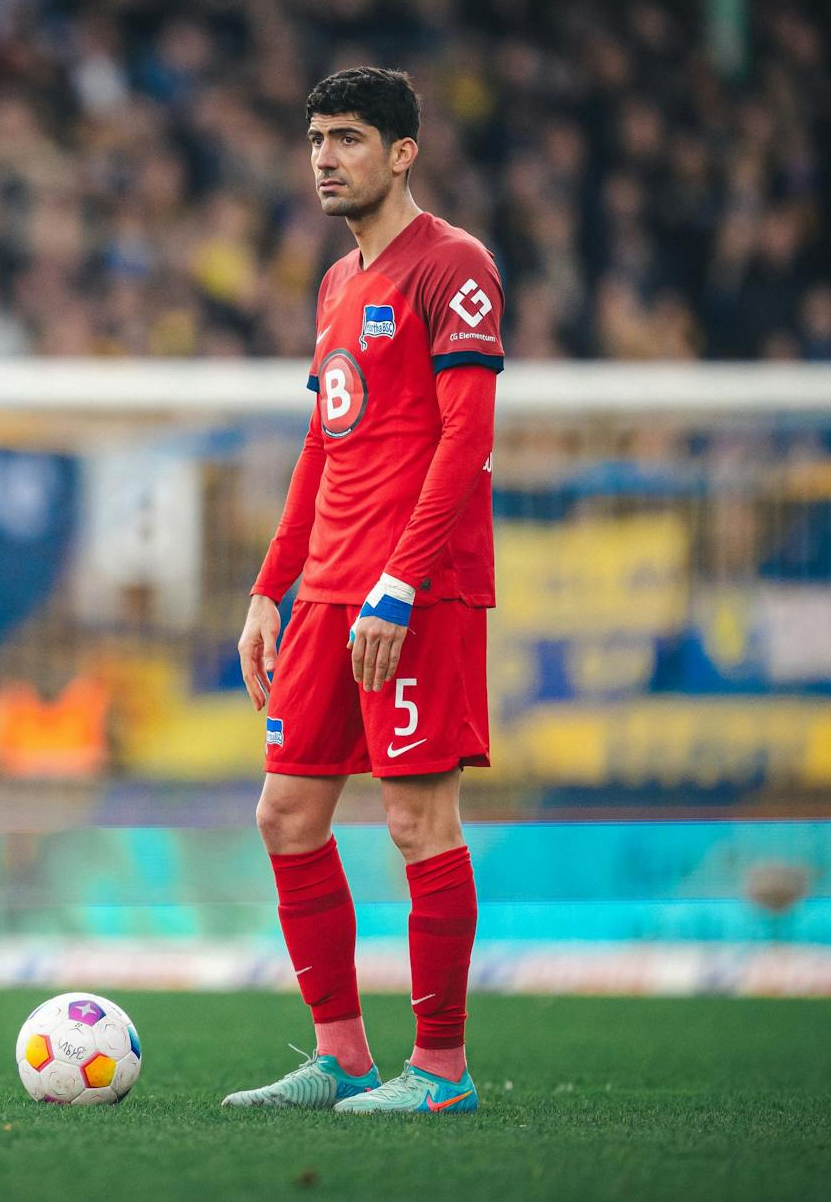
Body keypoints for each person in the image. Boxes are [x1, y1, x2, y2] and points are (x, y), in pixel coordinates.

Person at [222, 68, 500, 1115]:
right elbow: (320, 446)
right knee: (285, 812)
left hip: (415, 591)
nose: (324, 156)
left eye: (345, 137)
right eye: (313, 138)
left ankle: (438, 1068)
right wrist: (268, 587)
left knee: (417, 820)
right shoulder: (337, 284)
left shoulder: (454, 268)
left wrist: (397, 580)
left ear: (401, 152)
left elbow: (466, 438)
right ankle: (338, 1053)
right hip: (329, 589)